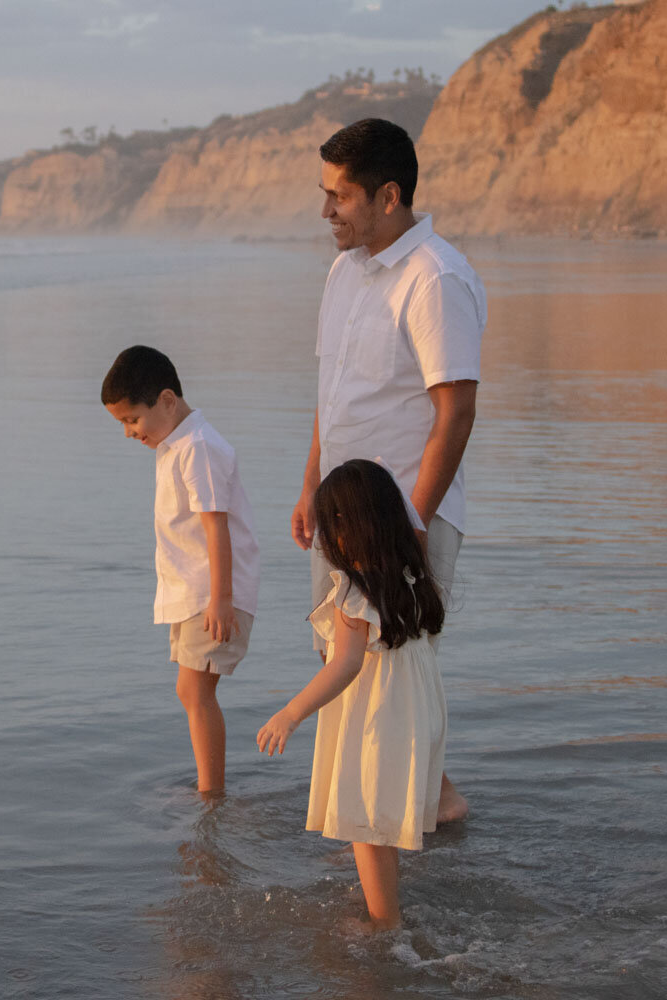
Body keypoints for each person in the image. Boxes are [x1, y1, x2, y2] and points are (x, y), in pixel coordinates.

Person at [290, 118, 485, 824]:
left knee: (393, 671)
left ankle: (406, 822)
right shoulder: (344, 273)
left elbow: (455, 413)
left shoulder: (436, 280)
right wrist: (311, 483)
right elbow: (333, 391)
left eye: (340, 197)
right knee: (338, 657)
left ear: (390, 196)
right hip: (341, 510)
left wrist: (410, 522)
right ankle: (422, 808)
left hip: (402, 515)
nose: (326, 212)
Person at [258, 459, 447, 928]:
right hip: (413, 713)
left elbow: (345, 663)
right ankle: (386, 909)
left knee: (365, 823)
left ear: (349, 527)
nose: (324, 540)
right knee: (377, 820)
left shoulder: (355, 592)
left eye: (328, 525)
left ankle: (385, 925)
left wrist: (292, 711)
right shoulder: (411, 577)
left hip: (378, 718)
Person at [102, 346, 261, 796]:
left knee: (195, 691)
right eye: (122, 424)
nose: (130, 432)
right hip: (196, 593)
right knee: (190, 691)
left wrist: (222, 599)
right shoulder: (176, 444)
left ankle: (211, 793)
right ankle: (209, 787)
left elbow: (217, 525)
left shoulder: (199, 448)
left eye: (133, 420)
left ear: (167, 400)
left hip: (211, 595)